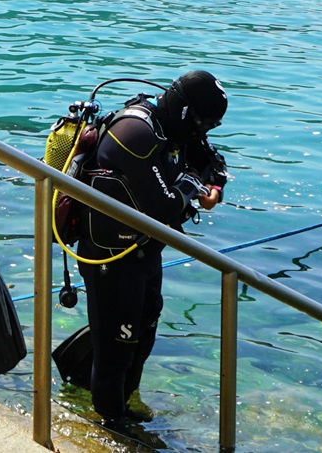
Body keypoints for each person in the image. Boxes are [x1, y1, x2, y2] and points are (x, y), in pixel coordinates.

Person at [76, 70, 229, 429]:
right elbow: (164, 205)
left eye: (212, 125)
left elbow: (214, 164)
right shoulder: (135, 132)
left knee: (143, 331)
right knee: (116, 346)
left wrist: (212, 189)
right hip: (109, 256)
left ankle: (123, 408)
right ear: (186, 112)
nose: (204, 131)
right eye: (204, 122)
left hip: (144, 250)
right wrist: (192, 183)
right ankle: (110, 426)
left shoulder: (175, 131)